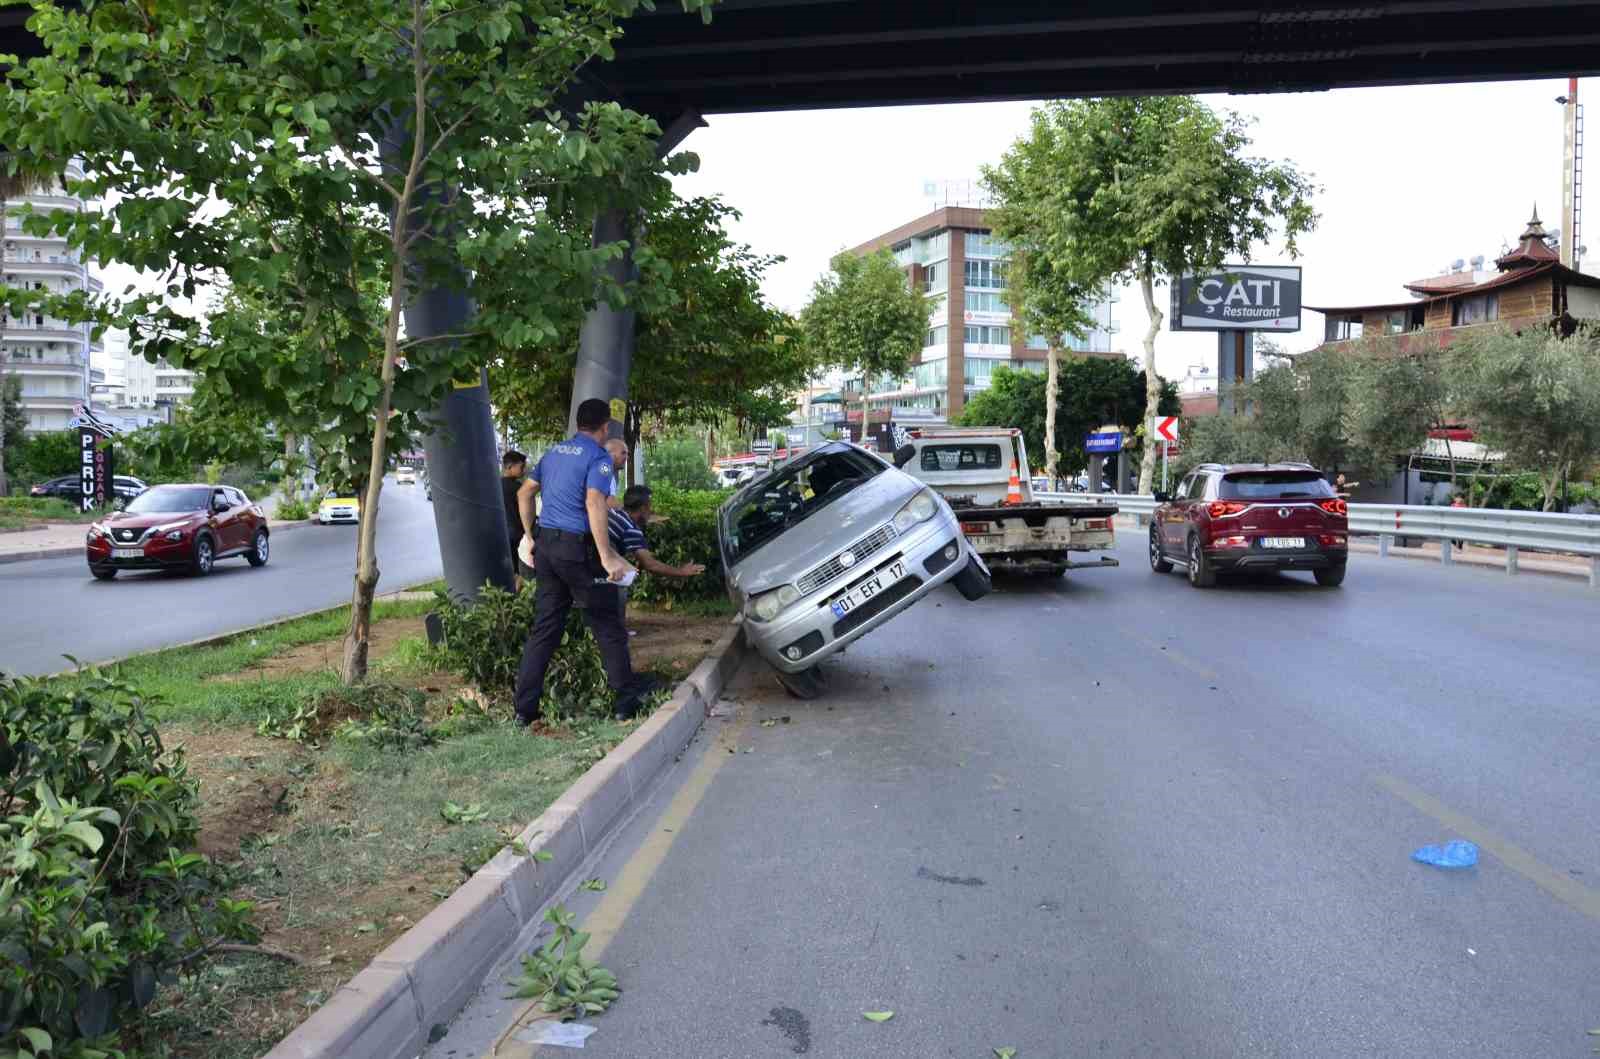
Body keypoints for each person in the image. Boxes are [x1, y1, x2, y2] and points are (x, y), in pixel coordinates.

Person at [513, 400, 654, 725]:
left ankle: (524, 710)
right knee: (607, 623)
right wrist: (607, 556)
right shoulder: (598, 458)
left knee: (545, 629)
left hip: (547, 547)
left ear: (578, 423)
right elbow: (594, 502)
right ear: (604, 427)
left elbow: (524, 494)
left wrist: (530, 536)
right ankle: (625, 703)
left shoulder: (553, 453)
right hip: (578, 552)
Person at [608, 485, 707, 632]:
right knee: (620, 585)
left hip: (577, 555)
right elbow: (651, 565)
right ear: (642, 508)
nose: (651, 511)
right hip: (594, 566)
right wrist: (682, 572)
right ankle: (615, 632)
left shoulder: (616, 514)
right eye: (649, 507)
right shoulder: (631, 529)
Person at [500, 450, 531, 588]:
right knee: (520, 571)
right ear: (509, 467)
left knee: (510, 570)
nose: (523, 471)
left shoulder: (495, 486)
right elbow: (526, 512)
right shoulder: (519, 488)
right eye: (521, 467)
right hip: (517, 534)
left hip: (502, 534)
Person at [604, 438, 629, 509]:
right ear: (610, 454)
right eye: (623, 453)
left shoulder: (609, 473)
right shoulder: (604, 473)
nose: (627, 457)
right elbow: (611, 503)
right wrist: (631, 510)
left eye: (627, 454)